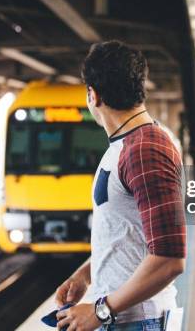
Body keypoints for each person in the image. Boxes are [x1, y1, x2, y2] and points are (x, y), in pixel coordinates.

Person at [55, 41, 186, 331]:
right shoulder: (126, 144)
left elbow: (170, 258)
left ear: (93, 94)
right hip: (128, 320)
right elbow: (128, 232)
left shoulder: (145, 149)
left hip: (139, 322)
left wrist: (101, 311)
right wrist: (86, 274)